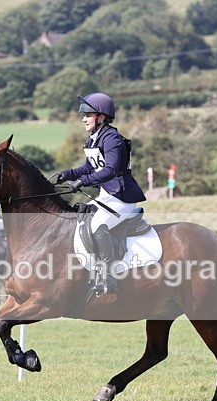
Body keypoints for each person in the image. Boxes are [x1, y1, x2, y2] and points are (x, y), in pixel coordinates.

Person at [54, 92, 146, 295]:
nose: (83, 119)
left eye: (88, 115)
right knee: (81, 221)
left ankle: (108, 277)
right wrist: (68, 174)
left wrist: (83, 181)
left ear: (101, 117)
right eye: (84, 115)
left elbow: (110, 170)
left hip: (122, 196)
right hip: (107, 195)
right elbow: (89, 167)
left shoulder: (112, 138)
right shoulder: (95, 138)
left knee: (97, 227)